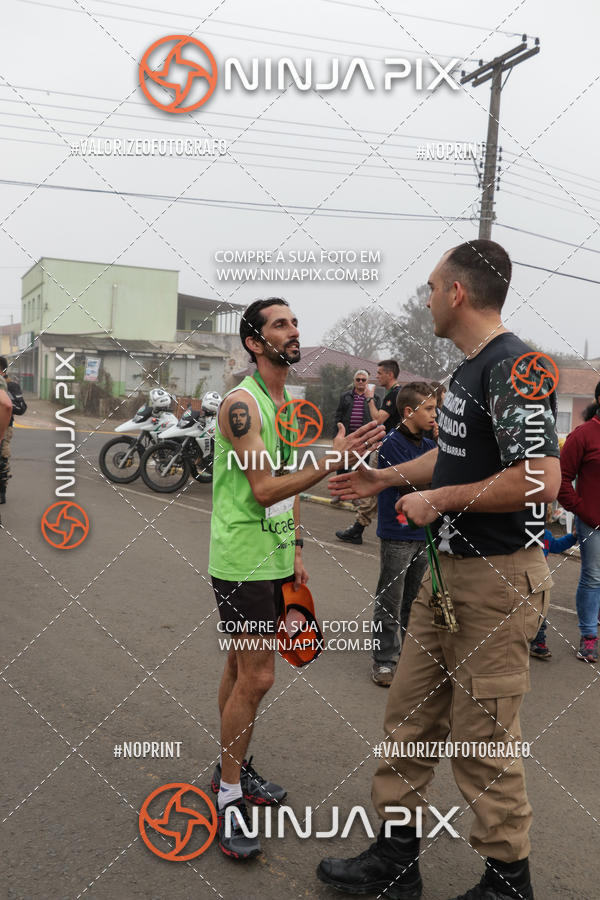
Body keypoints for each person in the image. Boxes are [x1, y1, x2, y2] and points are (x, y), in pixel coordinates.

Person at [319, 240, 560, 900]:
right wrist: (386, 480)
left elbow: (541, 479)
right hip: (446, 577)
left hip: (496, 584)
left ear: (456, 294)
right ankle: (396, 863)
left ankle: (508, 883)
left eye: (430, 287)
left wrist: (441, 501)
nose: (424, 298)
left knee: (482, 741)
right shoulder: (467, 371)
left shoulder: (516, 367)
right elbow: (453, 460)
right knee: (409, 720)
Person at [208, 298, 384, 859]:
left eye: (295, 322)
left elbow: (286, 481)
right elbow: (262, 488)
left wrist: (298, 547)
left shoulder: (285, 401)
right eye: (279, 324)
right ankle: (229, 797)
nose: (293, 330)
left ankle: (229, 770)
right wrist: (331, 462)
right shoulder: (243, 405)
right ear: (254, 343)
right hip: (240, 560)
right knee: (257, 678)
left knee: (240, 668)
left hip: (275, 557)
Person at [371, 382, 437, 687]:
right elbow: (411, 487)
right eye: (429, 409)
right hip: (397, 533)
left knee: (416, 600)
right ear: (409, 412)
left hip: (423, 535)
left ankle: (411, 659)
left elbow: (441, 481)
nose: (435, 416)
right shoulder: (392, 444)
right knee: (391, 598)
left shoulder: (430, 445)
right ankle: (384, 660)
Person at [558, 379, 600, 663]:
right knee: (593, 576)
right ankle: (588, 636)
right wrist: (582, 511)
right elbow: (560, 479)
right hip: (592, 522)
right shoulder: (583, 434)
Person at [336, 364, 399, 543]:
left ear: (390, 374)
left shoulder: (393, 394)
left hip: (389, 448)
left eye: (379, 373)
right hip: (386, 445)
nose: (376, 377)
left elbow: (378, 419)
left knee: (375, 484)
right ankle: (359, 528)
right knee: (383, 488)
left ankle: (359, 529)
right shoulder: (392, 393)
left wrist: (370, 398)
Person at [529, 507, 578, 660]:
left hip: (539, 582)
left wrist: (573, 537)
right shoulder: (518, 534)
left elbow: (556, 546)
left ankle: (539, 643)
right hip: (520, 580)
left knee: (540, 615)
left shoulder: (546, 535)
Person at [0, 356, 27, 504]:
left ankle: (2, 492)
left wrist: (7, 404)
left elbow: (21, 408)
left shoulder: (11, 386)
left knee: (2, 459)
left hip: (4, 427)